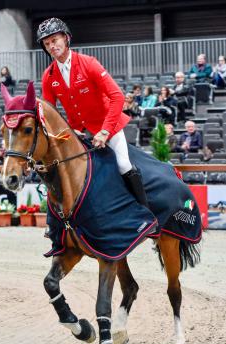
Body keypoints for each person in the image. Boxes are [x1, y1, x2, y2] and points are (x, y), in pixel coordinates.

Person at [37, 17, 148, 207]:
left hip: (106, 125)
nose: (51, 46)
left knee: (122, 165)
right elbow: (50, 113)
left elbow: (117, 97)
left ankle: (144, 212)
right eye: (47, 43)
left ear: (66, 38)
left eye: (54, 40)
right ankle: (60, 222)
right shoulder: (48, 76)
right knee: (58, 168)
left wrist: (105, 131)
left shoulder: (89, 63)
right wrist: (65, 135)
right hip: (76, 131)